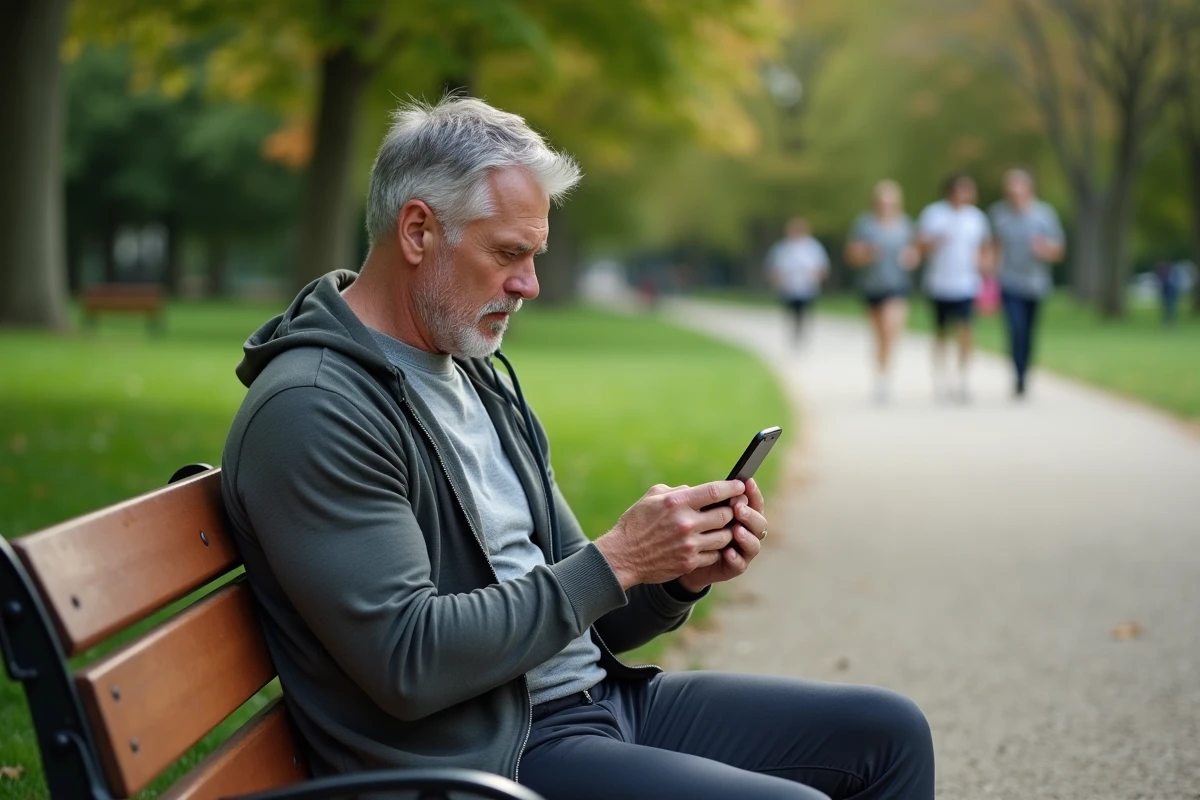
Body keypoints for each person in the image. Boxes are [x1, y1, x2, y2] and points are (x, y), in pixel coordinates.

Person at [220, 96, 933, 800]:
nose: (528, 284)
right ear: (418, 231)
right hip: (485, 762)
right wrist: (619, 558)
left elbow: (594, 610)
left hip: (592, 708)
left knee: (888, 732)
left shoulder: (473, 374)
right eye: (509, 253)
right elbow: (410, 661)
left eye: (535, 256)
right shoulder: (314, 408)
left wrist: (675, 573)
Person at [988, 168, 1065, 396]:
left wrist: (1043, 249)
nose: (1014, 193)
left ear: (1029, 189)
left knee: (1029, 332)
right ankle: (1018, 375)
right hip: (1009, 282)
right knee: (1015, 329)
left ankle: (1024, 371)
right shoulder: (999, 214)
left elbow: (1059, 250)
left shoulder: (1044, 214)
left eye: (1018, 188)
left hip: (1036, 284)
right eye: (1010, 189)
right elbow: (993, 246)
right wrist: (988, 270)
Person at [916, 173, 992, 402]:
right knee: (941, 332)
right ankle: (941, 376)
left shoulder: (976, 218)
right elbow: (919, 246)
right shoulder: (934, 214)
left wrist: (985, 267)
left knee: (965, 330)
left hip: (966, 284)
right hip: (939, 283)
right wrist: (937, 241)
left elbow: (985, 247)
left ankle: (963, 377)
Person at [845, 180, 919, 403]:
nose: (886, 206)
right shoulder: (864, 224)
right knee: (879, 335)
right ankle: (881, 374)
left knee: (890, 328)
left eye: (890, 202)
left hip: (897, 285)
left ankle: (886, 375)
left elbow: (915, 251)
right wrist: (865, 254)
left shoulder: (905, 224)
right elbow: (852, 255)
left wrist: (911, 257)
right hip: (872, 285)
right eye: (882, 201)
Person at [766, 217, 830, 347]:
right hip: (788, 287)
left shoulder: (813, 247)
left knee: (804, 311)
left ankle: (801, 334)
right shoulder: (782, 248)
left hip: (807, 287)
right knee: (791, 312)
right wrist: (777, 280)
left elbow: (822, 266)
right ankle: (794, 333)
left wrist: (817, 277)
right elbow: (774, 267)